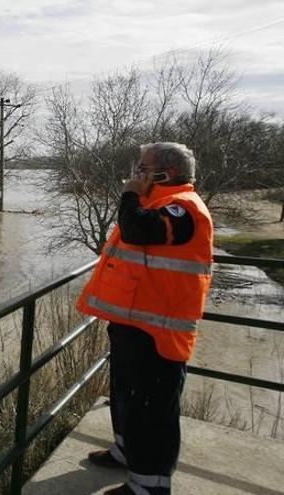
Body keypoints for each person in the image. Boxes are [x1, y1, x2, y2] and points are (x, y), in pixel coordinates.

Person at [76, 142, 214, 495]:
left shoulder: (184, 208)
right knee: (126, 397)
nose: (136, 173)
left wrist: (128, 194)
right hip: (134, 324)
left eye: (142, 168)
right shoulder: (156, 203)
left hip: (159, 333)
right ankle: (125, 453)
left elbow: (138, 230)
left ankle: (149, 487)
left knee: (152, 410)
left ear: (164, 174)